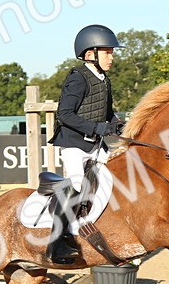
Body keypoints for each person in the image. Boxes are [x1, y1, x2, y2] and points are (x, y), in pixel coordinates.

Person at [46, 24, 125, 264]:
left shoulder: (104, 79)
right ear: (91, 54)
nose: (111, 57)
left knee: (116, 179)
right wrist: (97, 128)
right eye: (107, 52)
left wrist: (118, 125)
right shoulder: (78, 78)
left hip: (96, 145)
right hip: (74, 144)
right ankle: (56, 243)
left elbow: (107, 113)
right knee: (77, 184)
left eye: (112, 52)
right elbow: (64, 114)